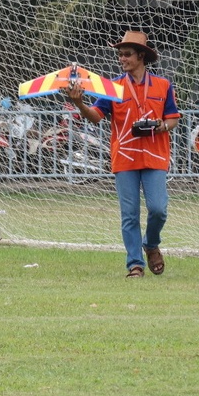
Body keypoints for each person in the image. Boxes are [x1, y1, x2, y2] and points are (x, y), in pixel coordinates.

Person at [66, 30, 180, 279]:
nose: (122, 59)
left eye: (127, 54)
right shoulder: (113, 87)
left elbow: (172, 118)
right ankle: (135, 265)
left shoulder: (163, 85)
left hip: (155, 156)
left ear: (141, 56)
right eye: (120, 55)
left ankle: (151, 243)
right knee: (130, 215)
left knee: (158, 209)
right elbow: (95, 117)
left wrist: (161, 126)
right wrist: (79, 103)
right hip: (125, 158)